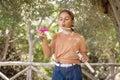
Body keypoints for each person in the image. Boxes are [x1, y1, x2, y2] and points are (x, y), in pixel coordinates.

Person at [38, 9, 89, 80]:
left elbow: (85, 55)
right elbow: (47, 54)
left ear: (72, 21)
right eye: (61, 19)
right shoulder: (56, 36)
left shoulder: (80, 37)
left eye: (66, 19)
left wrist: (84, 57)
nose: (63, 21)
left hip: (74, 71)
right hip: (58, 71)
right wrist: (44, 39)